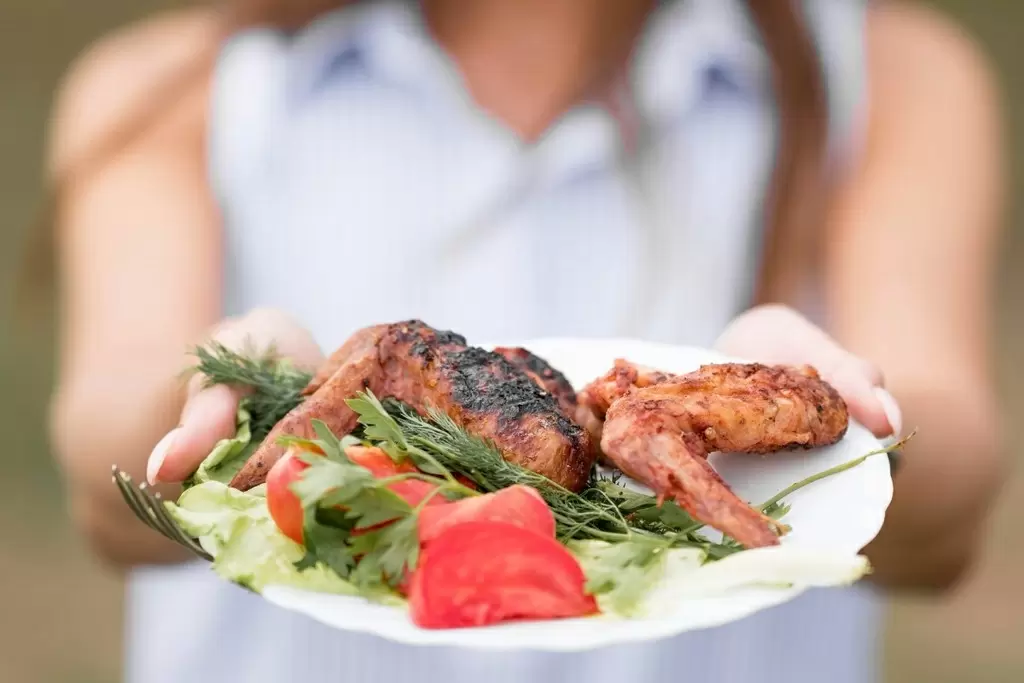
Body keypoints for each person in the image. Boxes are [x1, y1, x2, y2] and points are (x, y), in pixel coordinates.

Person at [45, 0, 1006, 681]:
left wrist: (818, 413)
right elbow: (102, 485)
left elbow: (950, 519)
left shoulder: (888, 75)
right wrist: (248, 390)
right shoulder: (180, 87)